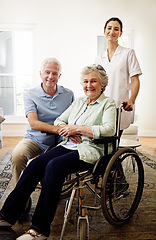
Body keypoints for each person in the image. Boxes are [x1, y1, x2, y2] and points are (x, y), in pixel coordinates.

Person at [0, 64, 116, 240]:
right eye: (85, 81)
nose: (89, 85)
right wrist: (67, 129)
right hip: (68, 144)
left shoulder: (108, 103)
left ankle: (40, 229)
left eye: (93, 81)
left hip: (90, 149)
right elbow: (59, 120)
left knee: (54, 166)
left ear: (102, 84)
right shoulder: (79, 101)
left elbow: (109, 129)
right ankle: (7, 215)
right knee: (36, 164)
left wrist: (77, 129)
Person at [11, 57, 74, 187]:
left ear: (59, 76)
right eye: (47, 72)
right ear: (40, 74)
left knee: (51, 168)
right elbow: (34, 124)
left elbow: (74, 119)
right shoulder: (30, 94)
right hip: (35, 140)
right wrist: (60, 129)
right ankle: (21, 195)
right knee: (18, 156)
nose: (50, 76)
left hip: (61, 142)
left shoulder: (68, 94)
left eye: (54, 73)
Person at [95, 17, 142, 137]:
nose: (112, 31)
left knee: (114, 141)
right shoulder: (99, 57)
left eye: (116, 29)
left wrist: (132, 100)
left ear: (120, 33)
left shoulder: (128, 53)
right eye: (109, 28)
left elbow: (135, 79)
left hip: (119, 104)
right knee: (102, 142)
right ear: (104, 31)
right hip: (102, 104)